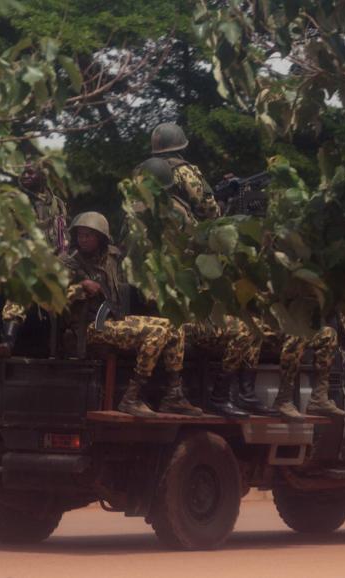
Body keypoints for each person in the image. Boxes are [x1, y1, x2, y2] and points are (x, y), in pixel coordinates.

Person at [134, 156, 274, 418]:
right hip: (178, 314)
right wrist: (223, 207)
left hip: (155, 309)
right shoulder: (175, 210)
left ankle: (234, 393)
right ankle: (222, 396)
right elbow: (204, 238)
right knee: (247, 329)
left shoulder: (133, 211)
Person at [62, 211, 200, 418]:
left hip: (115, 319)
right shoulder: (69, 262)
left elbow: (133, 283)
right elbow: (55, 296)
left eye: (88, 235)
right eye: (80, 235)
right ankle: (131, 398)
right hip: (90, 326)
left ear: (100, 237)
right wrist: (81, 286)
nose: (83, 239)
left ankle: (174, 395)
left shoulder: (113, 258)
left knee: (173, 327)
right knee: (156, 332)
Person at [0, 161, 68, 357]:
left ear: (44, 176)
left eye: (30, 172)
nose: (25, 176)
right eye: (23, 173)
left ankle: (62, 343)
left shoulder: (57, 204)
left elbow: (62, 239)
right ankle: (7, 341)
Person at [247, 324, 345, 422]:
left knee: (329, 334)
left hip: (288, 326)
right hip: (260, 326)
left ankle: (319, 399)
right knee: (295, 335)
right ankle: (283, 400)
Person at [149, 122, 220, 221]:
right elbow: (205, 206)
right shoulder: (182, 169)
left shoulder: (145, 172)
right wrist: (218, 210)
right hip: (187, 233)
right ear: (181, 147)